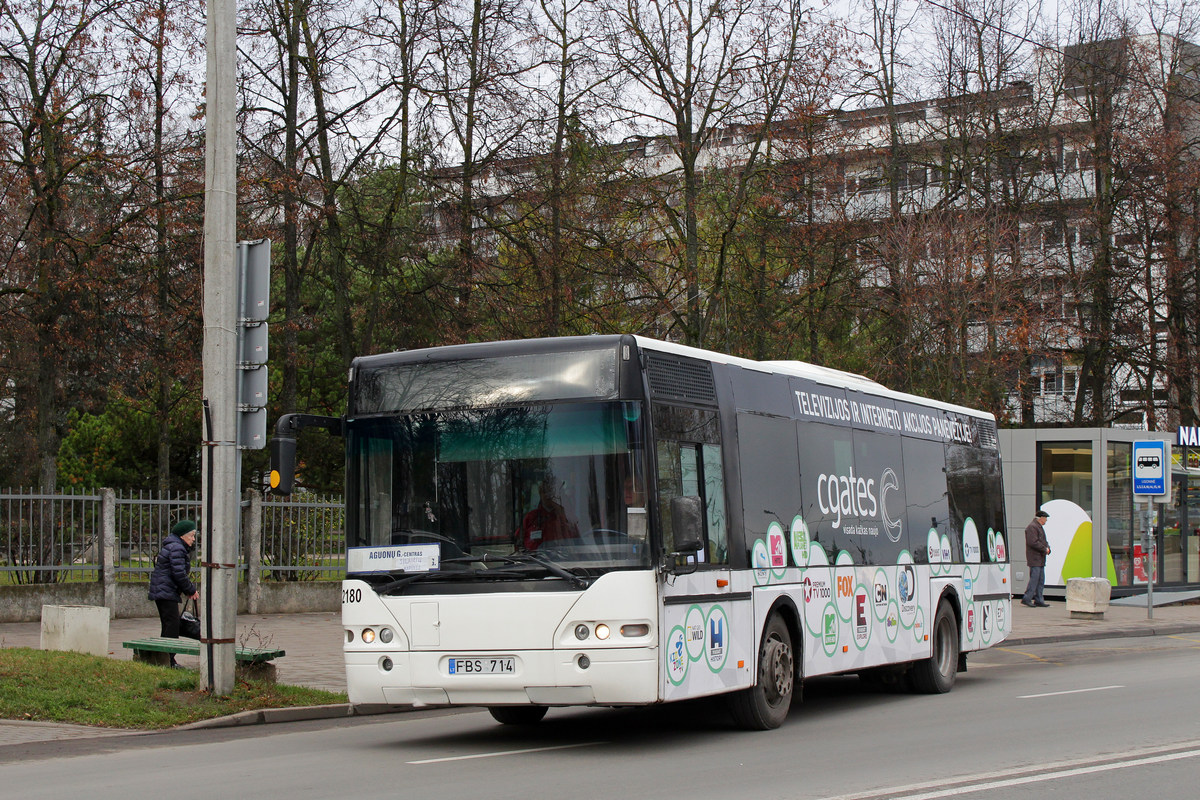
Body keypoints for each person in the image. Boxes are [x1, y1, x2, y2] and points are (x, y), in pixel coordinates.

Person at [149, 519, 200, 665]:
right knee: (171, 626)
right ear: (183, 536)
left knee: (169, 625)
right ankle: (168, 660)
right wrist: (190, 589)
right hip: (165, 592)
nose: (193, 539)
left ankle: (164, 659)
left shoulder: (174, 546)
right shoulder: (177, 548)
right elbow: (178, 573)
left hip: (164, 591)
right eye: (191, 536)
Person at [516, 476, 578, 551]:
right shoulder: (531, 518)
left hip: (565, 561)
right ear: (540, 493)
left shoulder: (567, 517)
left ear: (559, 493)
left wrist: (561, 513)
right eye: (545, 491)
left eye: (552, 491)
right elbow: (517, 544)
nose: (548, 495)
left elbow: (577, 543)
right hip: (534, 561)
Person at [1022, 510, 1051, 608]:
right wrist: (1044, 549)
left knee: (1040, 579)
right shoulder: (1032, 527)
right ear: (1041, 518)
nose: (1046, 520)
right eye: (1045, 518)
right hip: (1035, 558)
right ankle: (1027, 598)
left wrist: (1048, 548)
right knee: (1034, 579)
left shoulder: (1038, 527)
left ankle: (1039, 599)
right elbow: (1033, 542)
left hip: (1040, 558)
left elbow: (1043, 541)